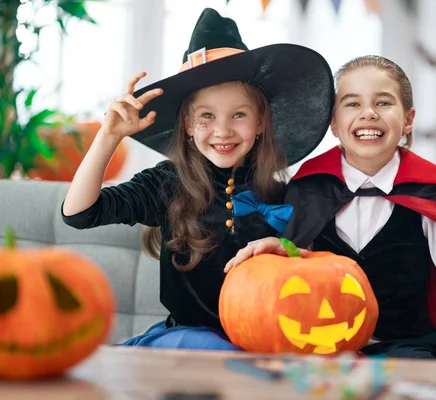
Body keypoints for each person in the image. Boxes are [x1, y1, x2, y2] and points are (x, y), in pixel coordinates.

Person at [61, 8, 334, 350]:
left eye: (239, 114)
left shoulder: (287, 196)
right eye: (207, 116)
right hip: (184, 341)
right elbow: (78, 213)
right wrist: (108, 136)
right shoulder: (167, 184)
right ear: (188, 125)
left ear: (261, 122)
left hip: (262, 339)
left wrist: (292, 248)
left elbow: (325, 268)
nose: (223, 130)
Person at [225, 55, 436, 359]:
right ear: (333, 121)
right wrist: (274, 247)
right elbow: (289, 269)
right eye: (352, 104)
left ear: (408, 119)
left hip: (408, 348)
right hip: (323, 346)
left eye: (383, 103)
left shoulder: (428, 189)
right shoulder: (308, 188)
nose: (368, 113)